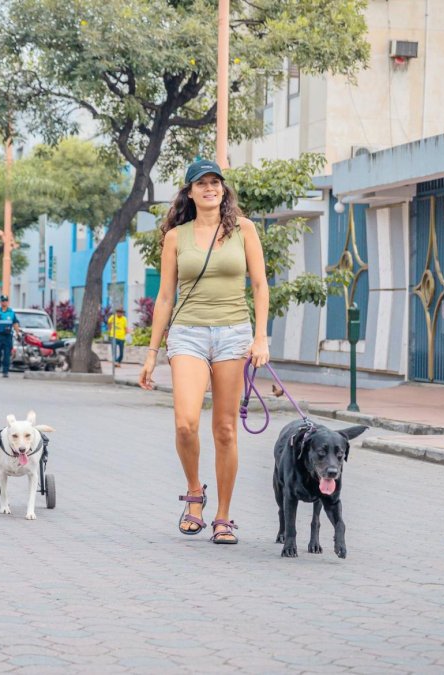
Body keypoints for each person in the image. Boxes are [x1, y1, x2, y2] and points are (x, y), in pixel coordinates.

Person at [138, 159, 271, 546]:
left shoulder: (244, 230)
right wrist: (150, 353)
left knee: (226, 429)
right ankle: (194, 492)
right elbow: (165, 297)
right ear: (190, 192)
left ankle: (224, 516)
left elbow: (260, 286)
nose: (210, 188)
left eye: (216, 183)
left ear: (223, 190)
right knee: (185, 423)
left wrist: (260, 338)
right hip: (188, 335)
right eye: (202, 184)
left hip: (233, 335)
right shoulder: (175, 237)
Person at [0, 295, 20, 378]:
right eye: (3, 301)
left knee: (7, 354)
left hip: (7, 337)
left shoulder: (11, 312)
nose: (4, 302)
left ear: (7, 302)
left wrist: (17, 333)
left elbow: (15, 323)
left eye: (5, 301)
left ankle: (5, 371)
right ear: (0, 302)